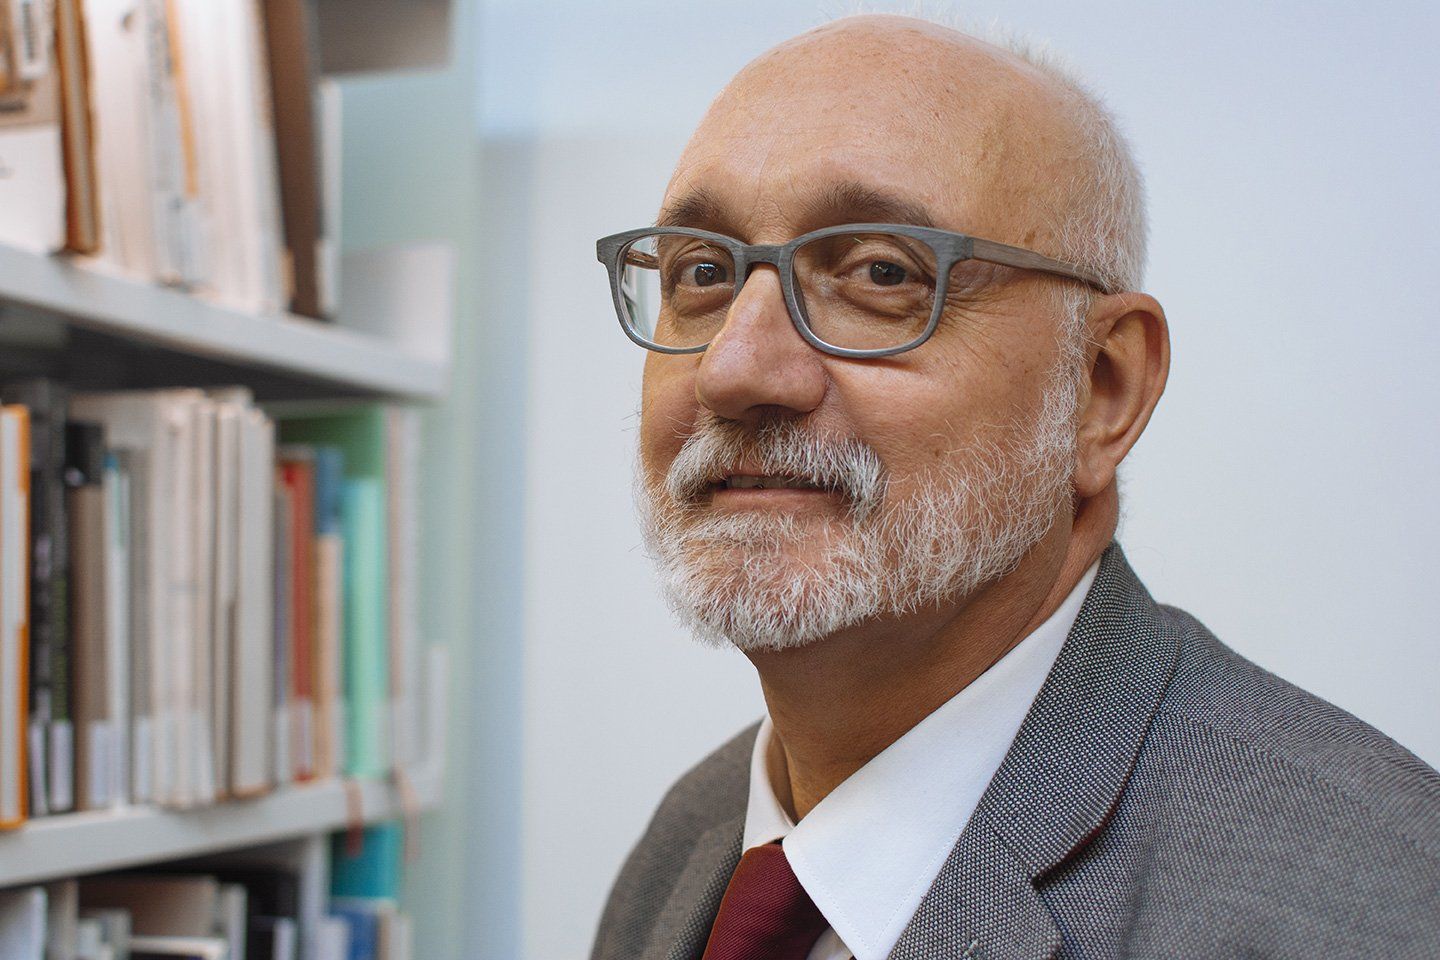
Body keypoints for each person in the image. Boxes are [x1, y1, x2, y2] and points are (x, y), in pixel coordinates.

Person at [588, 14, 1440, 960]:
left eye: (880, 272)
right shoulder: (687, 850)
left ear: (1101, 389)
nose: (735, 370)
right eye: (703, 272)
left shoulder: (1369, 906)